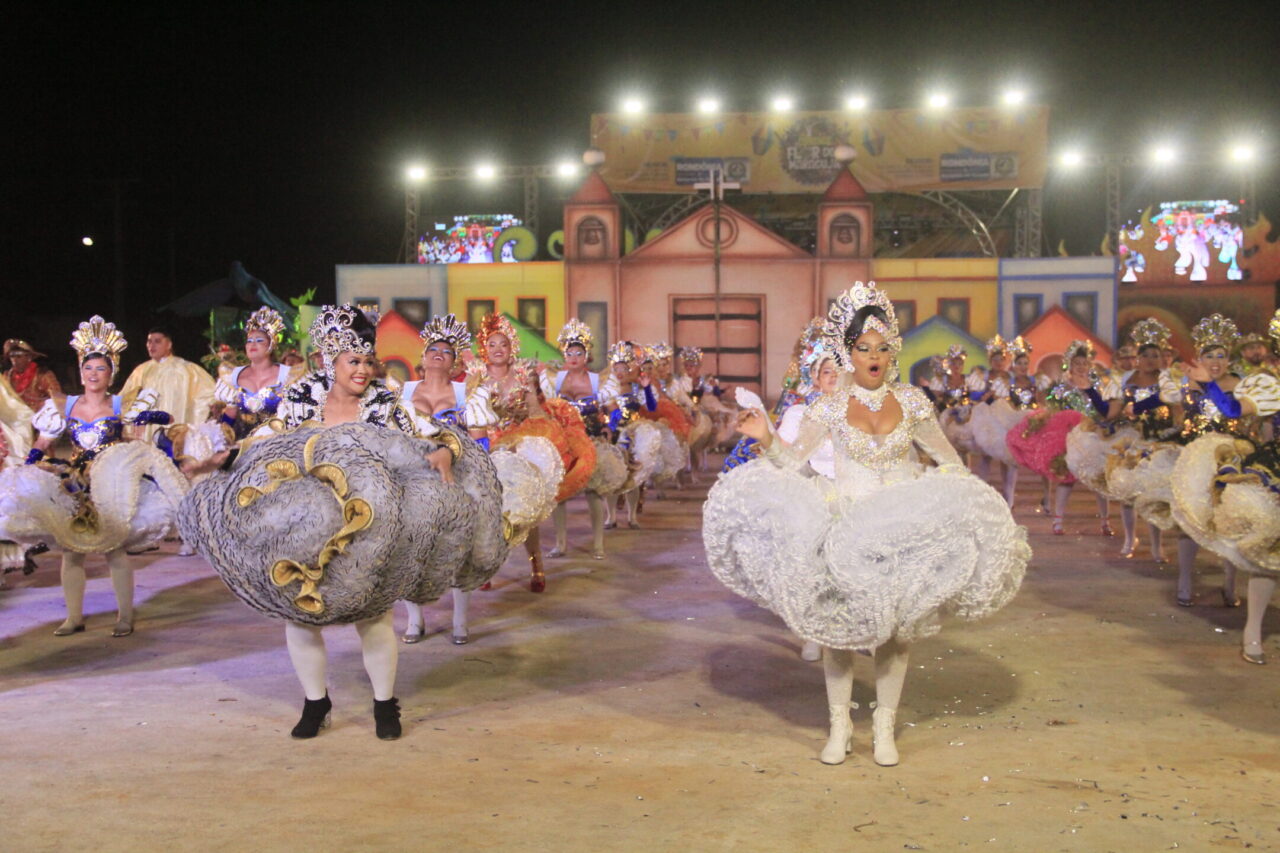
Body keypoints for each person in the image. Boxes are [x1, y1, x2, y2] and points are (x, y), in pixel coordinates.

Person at [705, 282, 1029, 767]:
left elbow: (950, 461)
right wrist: (765, 438)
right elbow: (792, 463)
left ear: (892, 350)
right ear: (847, 353)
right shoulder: (829, 407)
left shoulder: (913, 402)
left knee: (895, 633)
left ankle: (883, 727)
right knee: (838, 630)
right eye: (863, 348)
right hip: (846, 524)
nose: (873, 357)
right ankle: (839, 726)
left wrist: (947, 502)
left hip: (900, 532)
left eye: (881, 347)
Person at [181, 305, 504, 740]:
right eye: (353, 361)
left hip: (370, 525)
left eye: (368, 361)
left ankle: (384, 704)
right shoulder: (303, 396)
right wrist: (227, 456)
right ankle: (316, 703)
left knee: (373, 616)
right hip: (306, 526)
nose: (363, 370)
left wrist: (445, 450)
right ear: (329, 362)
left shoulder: (384, 400)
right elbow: (268, 436)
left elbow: (431, 433)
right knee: (300, 614)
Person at [0, 316, 184, 636]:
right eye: (88, 368)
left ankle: (124, 617)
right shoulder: (64, 404)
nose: (94, 374)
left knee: (114, 550)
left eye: (101, 368)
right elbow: (43, 442)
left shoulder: (122, 403)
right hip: (74, 485)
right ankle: (74, 618)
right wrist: (28, 465)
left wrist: (150, 416)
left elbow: (162, 419)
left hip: (111, 485)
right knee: (72, 552)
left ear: (111, 373)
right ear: (81, 371)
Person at [1166, 314, 1280, 608]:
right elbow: (1179, 418)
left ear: (1230, 359)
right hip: (1195, 457)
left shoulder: (1242, 384)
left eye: (1221, 355)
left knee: (1229, 521)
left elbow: (1239, 414)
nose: (1216, 361)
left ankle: (1229, 584)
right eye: (1209, 355)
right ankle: (1185, 581)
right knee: (1190, 521)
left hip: (1231, 458)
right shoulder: (1186, 385)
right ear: (1199, 357)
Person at [465, 313, 573, 593]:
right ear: (484, 349)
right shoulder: (475, 377)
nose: (497, 349)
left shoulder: (523, 375)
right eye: (491, 344)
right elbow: (470, 414)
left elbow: (535, 411)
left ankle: (536, 564)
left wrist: (540, 432)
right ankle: (487, 566)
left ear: (511, 347)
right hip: (484, 446)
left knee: (525, 508)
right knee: (487, 512)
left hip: (517, 445)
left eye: (503, 344)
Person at [1007, 341, 1121, 535]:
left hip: (1092, 436)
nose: (1081, 367)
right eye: (1077, 363)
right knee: (1066, 479)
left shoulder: (1097, 387)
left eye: (1084, 363)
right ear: (1070, 365)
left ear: (1090, 365)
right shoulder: (1062, 387)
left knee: (1098, 479)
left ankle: (1105, 521)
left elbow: (1104, 410)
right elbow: (1052, 408)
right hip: (1068, 439)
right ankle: (1058, 521)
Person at [549, 319, 626, 560]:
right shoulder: (553, 380)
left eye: (578, 353)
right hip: (563, 443)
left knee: (593, 493)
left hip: (591, 440)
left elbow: (615, 410)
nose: (573, 358)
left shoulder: (598, 381)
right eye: (569, 353)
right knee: (559, 494)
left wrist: (610, 427)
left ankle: (598, 545)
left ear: (587, 356)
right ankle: (560, 544)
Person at [213, 307, 302, 440]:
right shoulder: (233, 376)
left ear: (271, 344)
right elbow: (230, 415)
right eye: (249, 341)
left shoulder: (289, 376)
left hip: (279, 445)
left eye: (259, 340)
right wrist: (218, 438)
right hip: (243, 446)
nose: (252, 344)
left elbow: (298, 416)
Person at [120, 324, 216, 439]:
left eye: (157, 341)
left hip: (174, 431)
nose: (152, 346)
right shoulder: (141, 371)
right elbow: (125, 398)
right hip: (145, 434)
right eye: (149, 341)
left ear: (169, 344)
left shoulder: (186, 370)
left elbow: (208, 394)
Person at [3, 338, 62, 410]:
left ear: (29, 357)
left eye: (19, 356)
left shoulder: (43, 375)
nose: (14, 360)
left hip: (41, 414)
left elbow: (58, 399)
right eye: (12, 356)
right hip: (15, 415)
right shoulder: (6, 377)